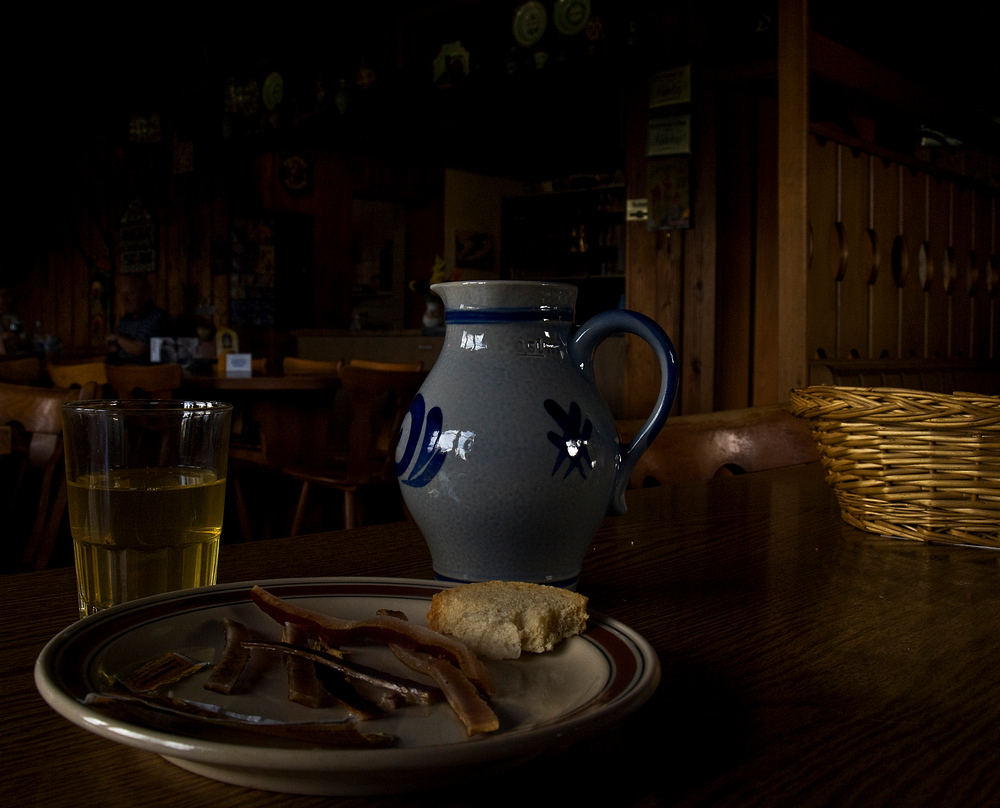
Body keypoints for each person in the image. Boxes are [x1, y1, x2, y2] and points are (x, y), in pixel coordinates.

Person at [106, 274, 172, 363]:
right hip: (120, 370)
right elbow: (113, 348)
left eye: (131, 293)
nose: (125, 299)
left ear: (145, 295)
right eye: (123, 295)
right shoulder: (125, 320)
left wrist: (117, 338)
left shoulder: (157, 318)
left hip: (145, 373)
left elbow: (140, 349)